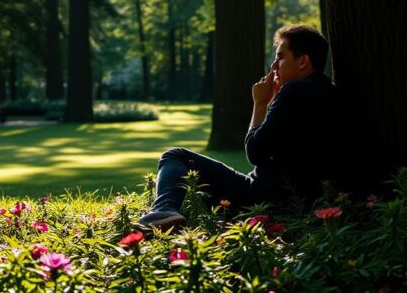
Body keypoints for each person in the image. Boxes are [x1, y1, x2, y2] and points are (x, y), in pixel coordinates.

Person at [137, 25, 339, 231]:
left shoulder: (294, 91)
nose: (274, 66)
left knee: (175, 155)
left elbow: (254, 152)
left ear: (303, 61)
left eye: (281, 57)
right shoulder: (331, 93)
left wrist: (260, 104)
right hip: (304, 200)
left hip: (262, 199)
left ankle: (164, 210)